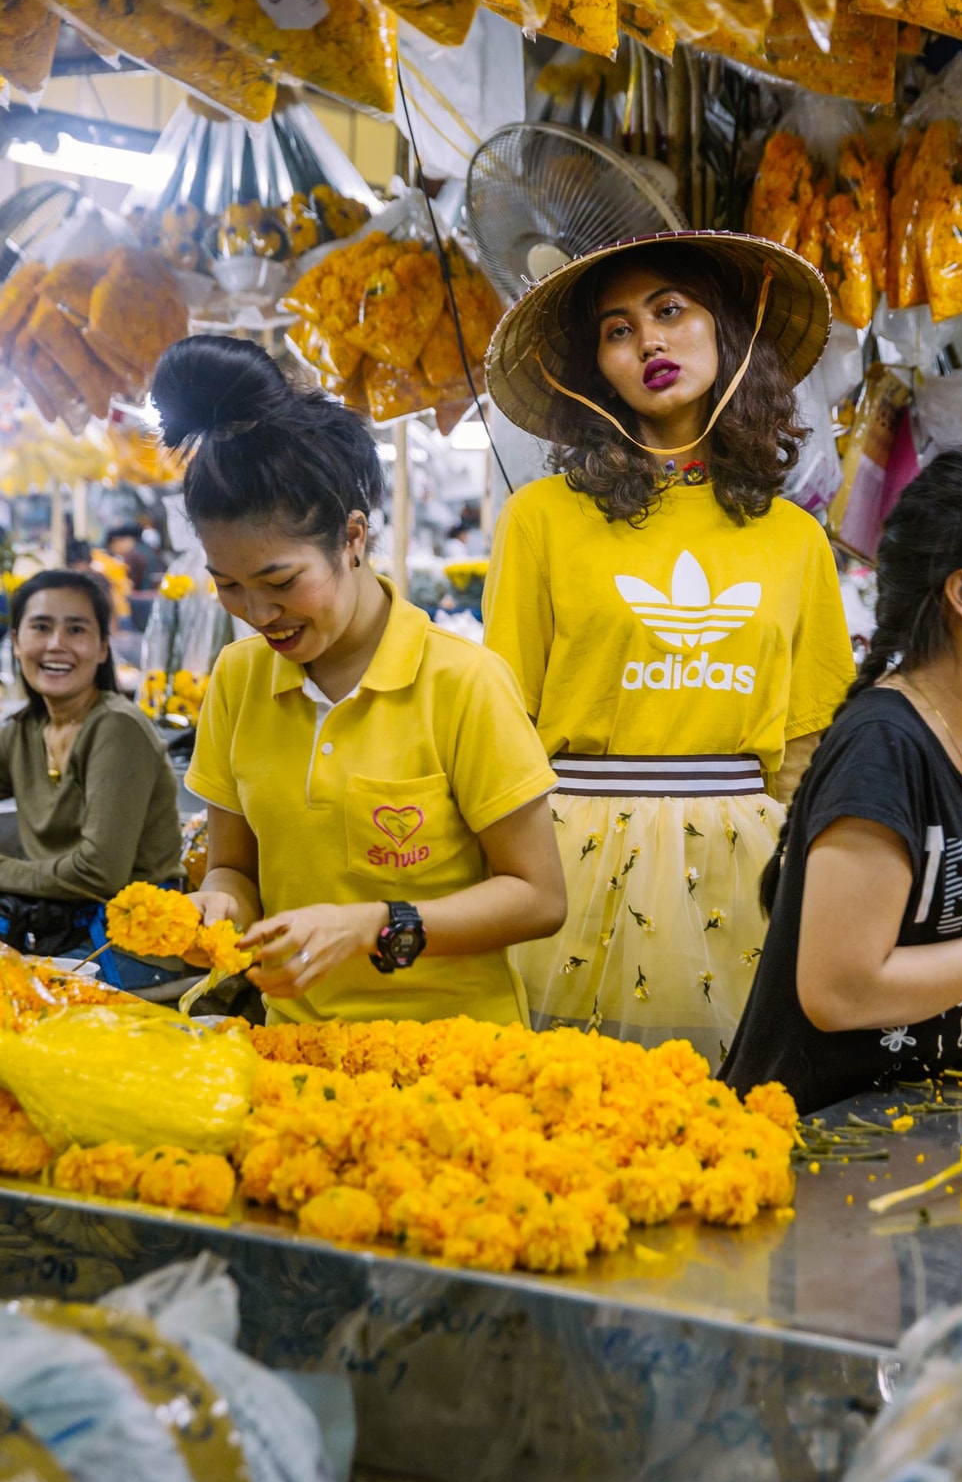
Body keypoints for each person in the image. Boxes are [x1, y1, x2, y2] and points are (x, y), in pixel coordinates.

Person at [482, 232, 855, 1066]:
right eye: (617, 330)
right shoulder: (539, 519)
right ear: (593, 370)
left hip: (744, 865)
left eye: (670, 310)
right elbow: (500, 729)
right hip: (572, 863)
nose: (648, 340)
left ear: (725, 330)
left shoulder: (794, 538)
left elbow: (808, 748)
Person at [151, 335, 566, 1026]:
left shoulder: (462, 683)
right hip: (297, 1050)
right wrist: (219, 904)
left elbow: (538, 898)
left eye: (280, 582)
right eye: (228, 586)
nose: (258, 615)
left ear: (351, 537)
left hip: (456, 1060)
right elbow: (234, 870)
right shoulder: (238, 678)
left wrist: (377, 924)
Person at [720, 448, 962, 1114]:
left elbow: (961, 944)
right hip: (816, 1135)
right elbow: (839, 992)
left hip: (913, 1120)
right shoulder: (883, 748)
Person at [0, 568, 183, 982]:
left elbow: (98, 871)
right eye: (40, 627)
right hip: (57, 929)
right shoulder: (25, 731)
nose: (56, 645)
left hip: (128, 948)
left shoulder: (116, 728)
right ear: (16, 642)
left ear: (102, 648)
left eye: (76, 630)